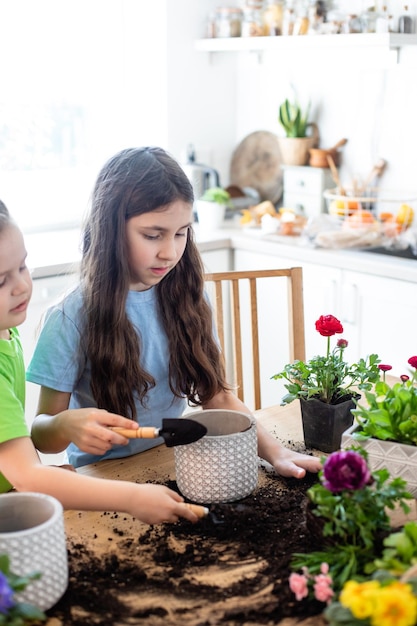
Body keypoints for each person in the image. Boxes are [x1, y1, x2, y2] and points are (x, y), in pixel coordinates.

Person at [27, 146, 321, 478]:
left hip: (172, 462)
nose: (170, 252)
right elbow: (42, 436)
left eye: (181, 233)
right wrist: (66, 424)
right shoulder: (70, 316)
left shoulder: (186, 296)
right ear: (110, 228)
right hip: (104, 476)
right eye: (153, 235)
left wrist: (277, 454)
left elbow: (219, 398)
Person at [0, 200, 200, 524]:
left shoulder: (6, 334)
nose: (22, 286)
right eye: (1, 281)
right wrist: (133, 498)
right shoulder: (70, 317)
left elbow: (17, 462)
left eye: (22, 266)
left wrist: (38, 479)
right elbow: (28, 474)